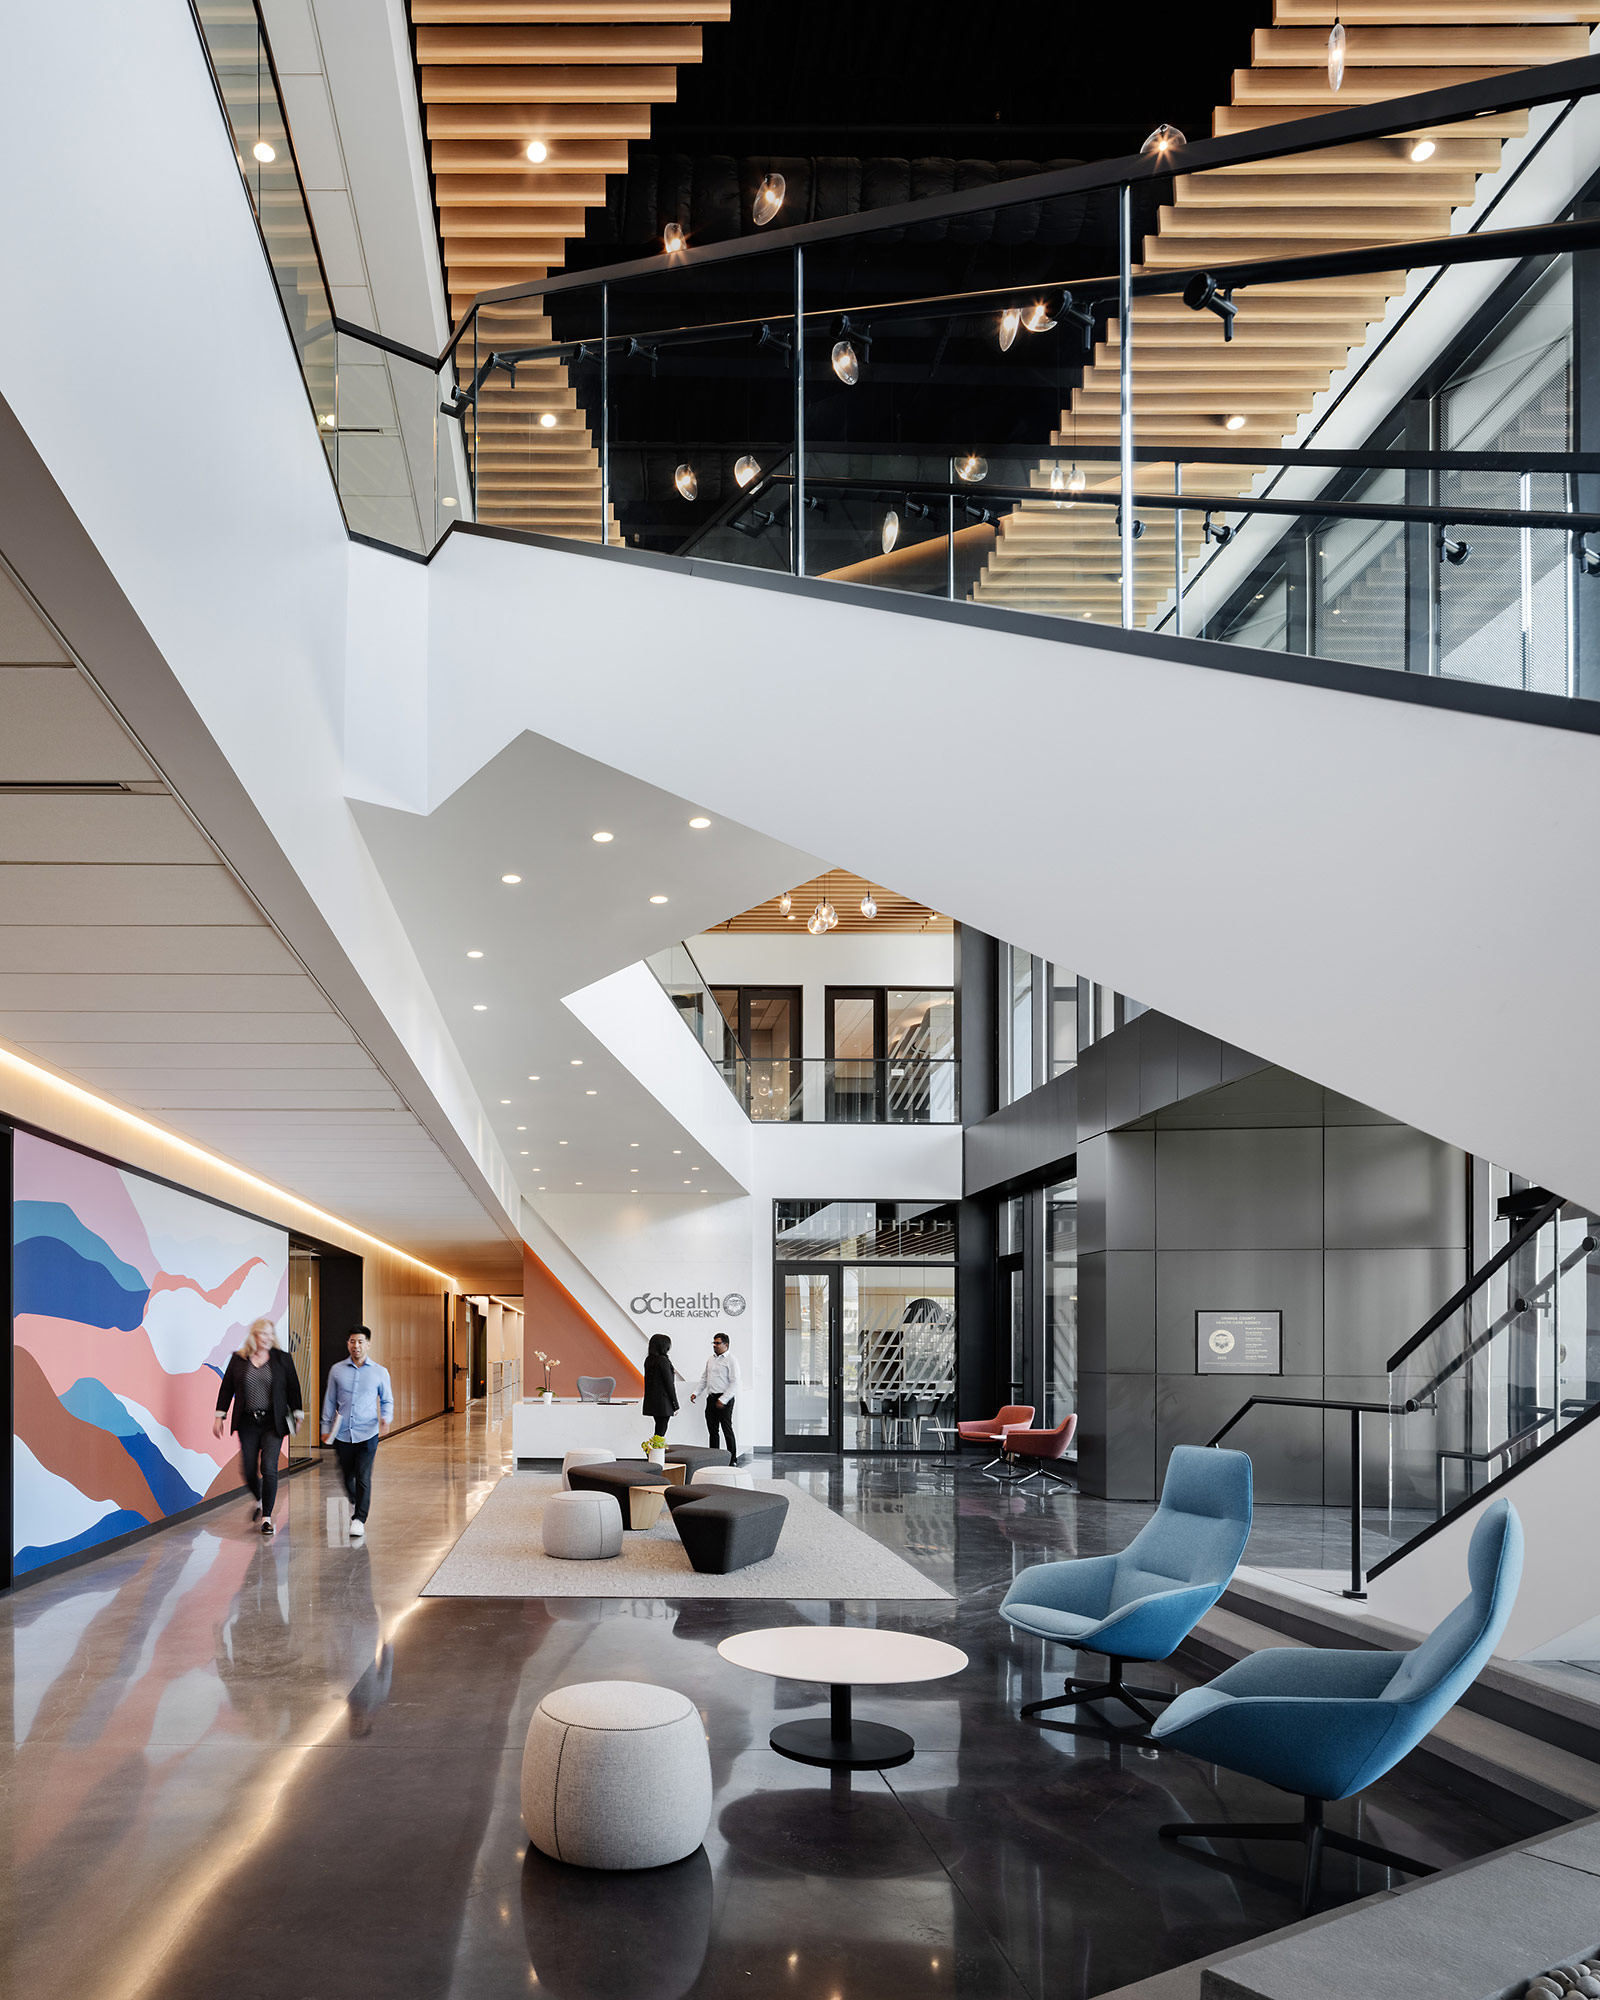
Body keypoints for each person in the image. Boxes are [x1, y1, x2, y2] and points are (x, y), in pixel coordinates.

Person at [213, 1317, 304, 1536]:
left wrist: (297, 1413)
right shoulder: (239, 1359)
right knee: (247, 1467)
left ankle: (267, 1518)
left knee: (269, 1467)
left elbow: (293, 1387)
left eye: (271, 1334)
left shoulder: (282, 1359)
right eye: (264, 1334)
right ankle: (260, 1498)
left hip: (274, 1422)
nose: (268, 1338)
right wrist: (219, 1416)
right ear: (255, 1335)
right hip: (247, 1422)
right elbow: (226, 1389)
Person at [320, 1326, 393, 1540]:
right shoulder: (337, 1370)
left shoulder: (380, 1372)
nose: (356, 1346)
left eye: (360, 1342)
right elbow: (330, 1400)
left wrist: (386, 1417)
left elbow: (387, 1399)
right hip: (342, 1433)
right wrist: (325, 1428)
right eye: (352, 1341)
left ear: (368, 1344)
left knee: (363, 1475)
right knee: (346, 1475)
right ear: (348, 1344)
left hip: (368, 1432)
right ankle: (356, 1499)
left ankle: (359, 1519)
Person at [690, 1331, 741, 1461]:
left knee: (727, 1430)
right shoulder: (711, 1359)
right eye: (714, 1343)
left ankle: (732, 1459)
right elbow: (704, 1378)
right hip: (711, 1398)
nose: (714, 1345)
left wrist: (723, 1399)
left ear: (726, 1345)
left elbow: (735, 1383)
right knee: (713, 1432)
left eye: (718, 1343)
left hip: (724, 1400)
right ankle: (714, 1458)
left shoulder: (731, 1360)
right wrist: (696, 1392)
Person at [641, 1330, 678, 1446]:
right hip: (663, 1402)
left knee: (659, 1429)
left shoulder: (649, 1360)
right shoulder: (663, 1360)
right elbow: (669, 1384)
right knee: (660, 1432)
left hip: (652, 1401)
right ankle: (654, 1453)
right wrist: (675, 1404)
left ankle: (654, 1452)